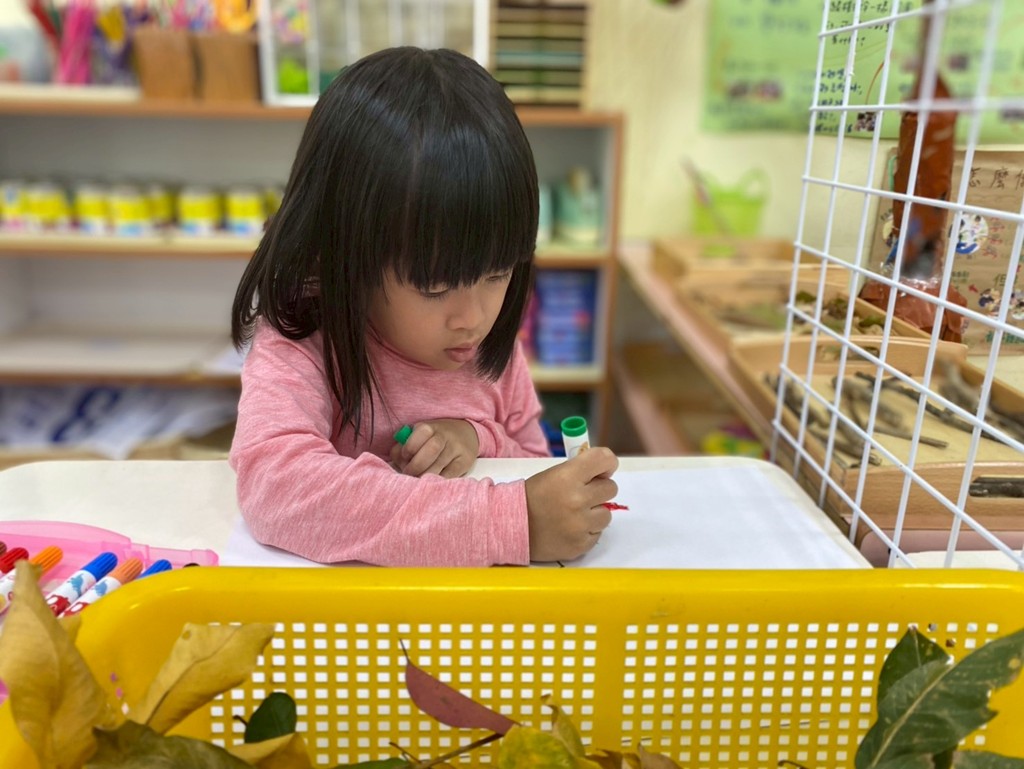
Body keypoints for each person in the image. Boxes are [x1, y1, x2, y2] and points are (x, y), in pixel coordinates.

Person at [229, 47, 619, 567]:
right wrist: (510, 521)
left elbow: (529, 466)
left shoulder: (488, 343)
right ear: (349, 253)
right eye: (435, 287)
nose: (473, 318)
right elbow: (275, 485)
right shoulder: (305, 337)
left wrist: (478, 437)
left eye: (497, 274)